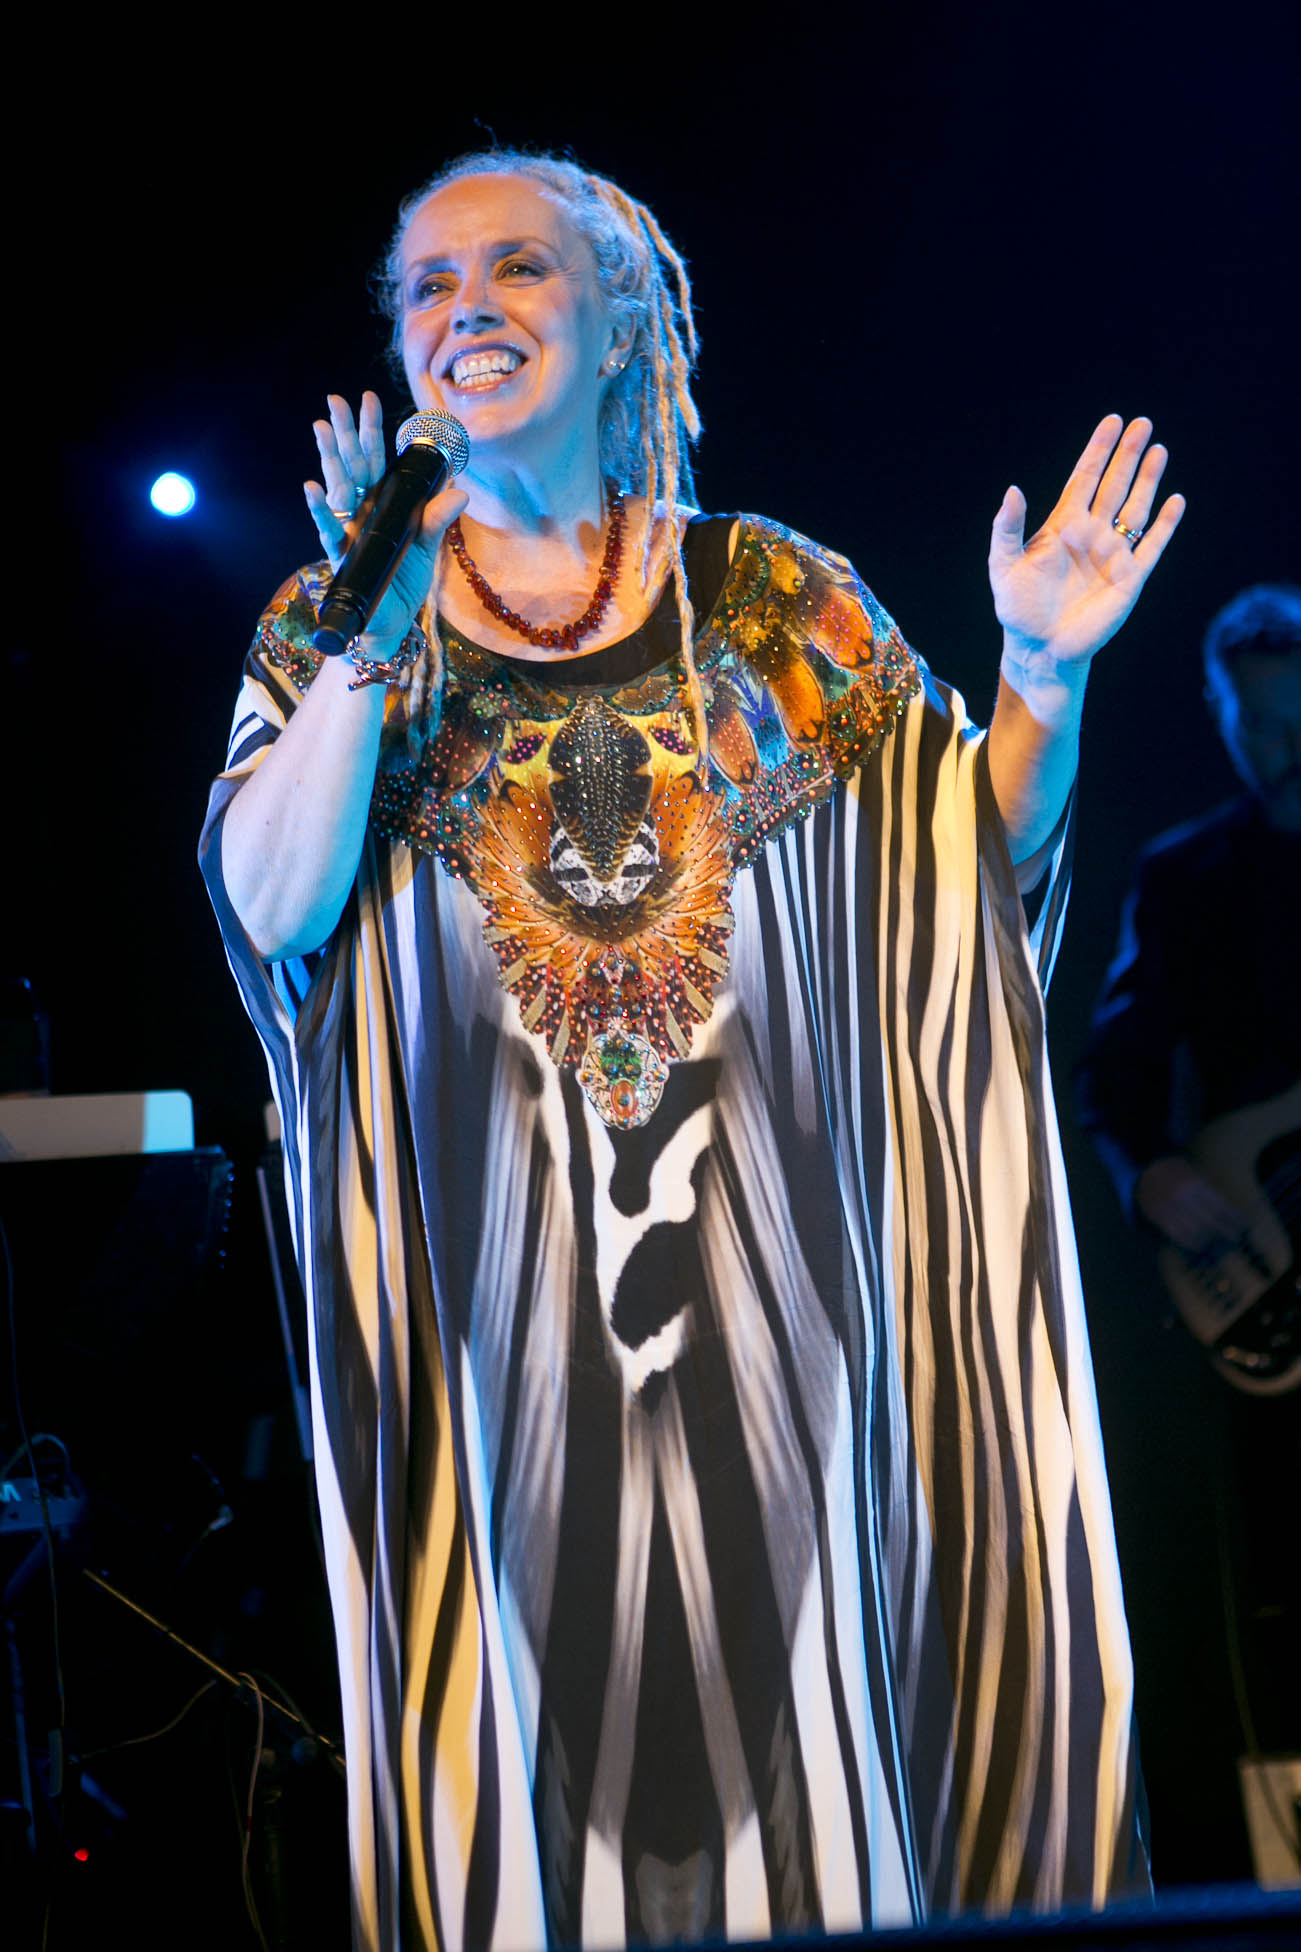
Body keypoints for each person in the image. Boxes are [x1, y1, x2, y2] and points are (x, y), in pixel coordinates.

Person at [201, 149, 1184, 1951]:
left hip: (771, 1323)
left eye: (516, 269)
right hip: (499, 1343)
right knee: (537, 1801)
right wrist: (368, 629)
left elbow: (952, 886)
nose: (465, 309)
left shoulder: (767, 602)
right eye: (427, 287)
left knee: (806, 1777)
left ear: (621, 321)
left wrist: (1041, 679)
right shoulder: (336, 616)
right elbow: (275, 904)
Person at [1074, 585, 1300, 1856]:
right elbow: (1110, 1074)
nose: (1280, 747)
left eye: (1296, 718)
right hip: (1256, 1274)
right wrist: (1151, 1173)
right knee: (1275, 1585)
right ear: (1218, 714)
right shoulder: (1185, 874)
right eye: (1254, 721)